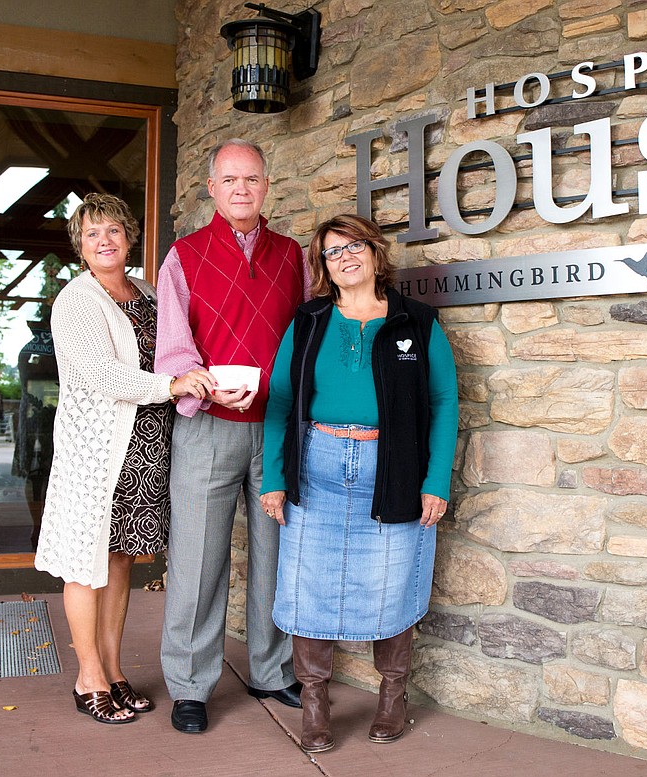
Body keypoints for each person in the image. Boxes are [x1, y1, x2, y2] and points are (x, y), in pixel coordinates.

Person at [260, 214, 459, 753]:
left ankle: (392, 697)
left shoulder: (417, 323)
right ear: (322, 265)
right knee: (307, 586)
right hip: (316, 465)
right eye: (331, 252)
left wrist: (435, 480)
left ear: (374, 253)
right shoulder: (308, 320)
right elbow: (280, 401)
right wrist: (274, 477)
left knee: (395, 581)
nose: (344, 257)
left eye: (354, 247)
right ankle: (316, 705)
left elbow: (443, 403)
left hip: (392, 467)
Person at [34, 193, 209, 725]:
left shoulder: (149, 292)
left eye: (113, 230)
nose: (104, 240)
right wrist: (172, 383)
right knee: (85, 564)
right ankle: (87, 675)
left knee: (118, 562)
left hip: (146, 449)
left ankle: (111, 668)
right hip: (97, 452)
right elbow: (99, 374)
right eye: (91, 234)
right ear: (79, 246)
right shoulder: (77, 300)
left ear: (130, 237)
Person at [155, 138, 306, 734]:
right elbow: (172, 343)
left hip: (274, 427)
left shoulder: (293, 255)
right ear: (212, 188)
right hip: (207, 427)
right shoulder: (184, 255)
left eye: (252, 179)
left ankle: (273, 670)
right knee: (196, 560)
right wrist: (203, 385)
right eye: (230, 180)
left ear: (266, 185)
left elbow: (302, 336)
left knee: (276, 557)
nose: (241, 189)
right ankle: (190, 686)